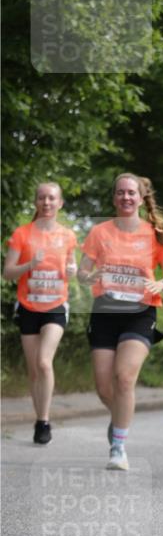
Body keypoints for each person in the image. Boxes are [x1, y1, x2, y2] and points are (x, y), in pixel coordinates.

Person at [78, 174, 163, 471]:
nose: (126, 197)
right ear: (114, 198)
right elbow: (82, 272)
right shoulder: (99, 232)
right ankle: (119, 417)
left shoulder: (155, 233)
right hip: (104, 312)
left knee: (124, 378)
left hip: (140, 313)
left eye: (131, 193)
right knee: (103, 386)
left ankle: (118, 446)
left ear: (140, 197)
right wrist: (90, 276)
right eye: (121, 193)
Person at [4, 182, 78, 445]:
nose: (46, 202)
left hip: (56, 306)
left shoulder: (68, 236)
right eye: (42, 198)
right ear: (36, 203)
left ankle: (44, 421)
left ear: (60, 203)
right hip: (28, 307)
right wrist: (29, 264)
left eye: (51, 198)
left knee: (45, 362)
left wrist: (72, 270)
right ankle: (39, 418)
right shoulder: (22, 234)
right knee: (34, 370)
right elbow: (8, 272)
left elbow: (71, 266)